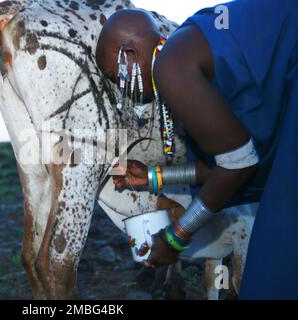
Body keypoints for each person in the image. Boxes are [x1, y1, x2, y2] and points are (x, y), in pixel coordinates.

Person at [95, 0, 298, 299]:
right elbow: (223, 163)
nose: (123, 91)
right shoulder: (185, 49)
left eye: (116, 76)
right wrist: (153, 177)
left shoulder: (169, 67)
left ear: (130, 53)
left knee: (272, 273)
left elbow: (239, 165)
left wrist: (176, 237)